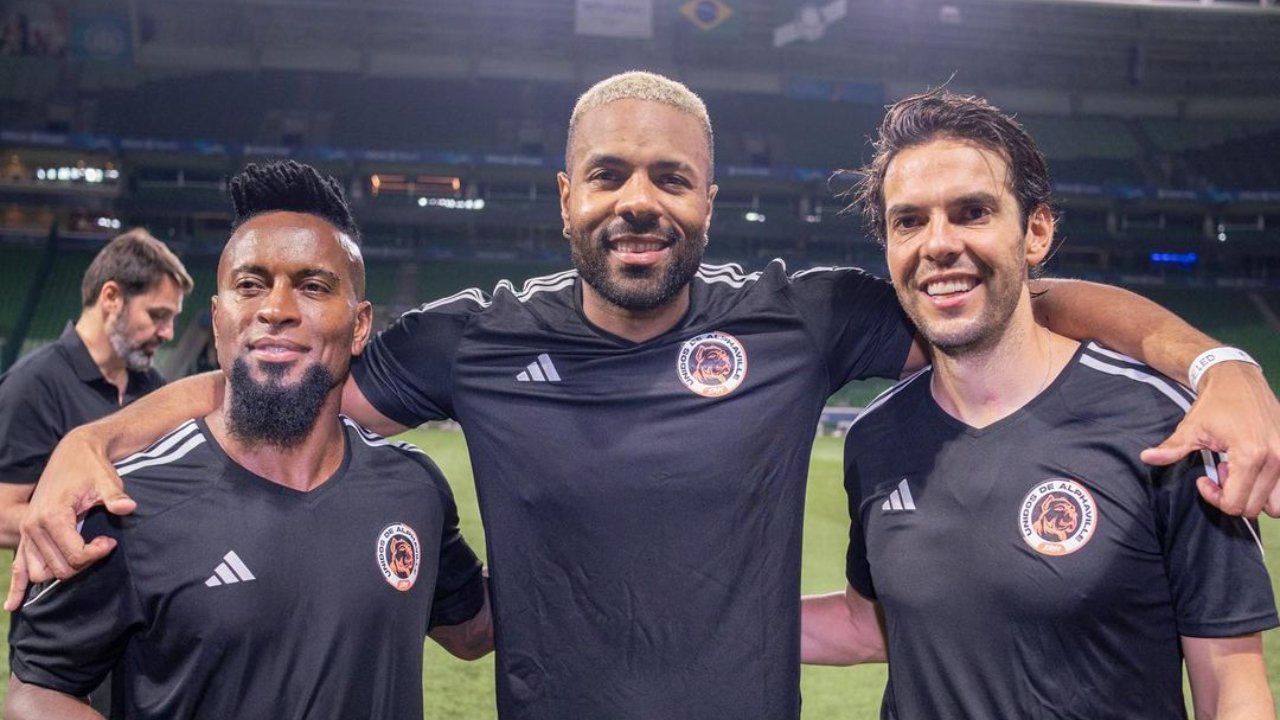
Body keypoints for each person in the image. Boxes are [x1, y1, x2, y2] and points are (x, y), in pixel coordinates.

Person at [11, 72, 1280, 720]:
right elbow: (274, 389)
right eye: (608, 174)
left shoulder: (801, 315)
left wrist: (1213, 364)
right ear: (563, 197)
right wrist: (102, 434)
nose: (638, 200)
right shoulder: (472, 340)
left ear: (707, 204)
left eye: (669, 178)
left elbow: (1017, 301)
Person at [800, 90, 1277, 718]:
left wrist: (1224, 364)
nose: (937, 244)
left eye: (972, 212)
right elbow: (872, 626)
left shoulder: (1166, 426)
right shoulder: (875, 438)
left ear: (1036, 233)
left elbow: (1232, 688)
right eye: (909, 221)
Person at [5, 161, 493, 719]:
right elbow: (37, 690)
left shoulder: (414, 488)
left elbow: (471, 630)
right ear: (218, 322)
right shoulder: (125, 505)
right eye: (250, 284)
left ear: (359, 325)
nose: (276, 310)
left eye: (312, 286)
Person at [0, 228, 192, 548]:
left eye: (172, 319)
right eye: (158, 315)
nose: (168, 333)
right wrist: (99, 527)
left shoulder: (153, 385)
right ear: (111, 298)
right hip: (67, 593)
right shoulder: (32, 385)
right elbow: (3, 514)